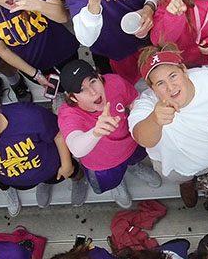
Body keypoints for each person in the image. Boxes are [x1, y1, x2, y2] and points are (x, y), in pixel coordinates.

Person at [128, 45, 208, 210]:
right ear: (152, 89)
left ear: (184, 70)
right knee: (182, 178)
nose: (170, 87)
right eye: (160, 83)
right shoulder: (147, 105)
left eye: (173, 76)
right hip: (177, 167)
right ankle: (186, 184)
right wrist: (155, 120)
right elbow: (142, 137)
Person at [0, 88, 85, 213]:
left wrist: (67, 165)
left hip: (52, 167)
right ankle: (43, 183)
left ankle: (78, 179)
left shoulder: (28, 115)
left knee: (68, 173)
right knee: (43, 181)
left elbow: (58, 134)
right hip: (18, 180)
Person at [57, 59, 163, 208]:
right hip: (103, 165)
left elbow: (134, 100)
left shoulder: (115, 82)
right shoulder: (68, 114)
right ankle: (117, 184)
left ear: (99, 77)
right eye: (81, 90)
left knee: (136, 158)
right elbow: (75, 146)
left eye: (93, 81)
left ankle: (133, 166)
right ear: (72, 97)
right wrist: (96, 132)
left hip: (131, 144)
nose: (93, 92)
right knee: (110, 182)